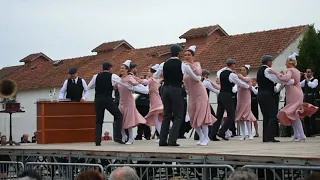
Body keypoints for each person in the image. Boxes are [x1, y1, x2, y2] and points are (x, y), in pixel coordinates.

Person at [153, 44, 201, 146]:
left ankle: (162, 140)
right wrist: (199, 79)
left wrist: (163, 77)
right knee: (178, 116)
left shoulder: (163, 64)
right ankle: (172, 140)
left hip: (165, 89)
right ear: (179, 53)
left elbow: (155, 75)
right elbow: (195, 77)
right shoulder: (183, 65)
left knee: (167, 115)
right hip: (176, 89)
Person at [268, 53, 318, 142]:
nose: (285, 63)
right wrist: (283, 74)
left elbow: (286, 79)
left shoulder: (290, 70)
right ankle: (298, 134)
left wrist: (275, 72)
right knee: (293, 114)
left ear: (290, 62)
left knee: (293, 114)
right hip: (296, 93)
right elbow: (290, 80)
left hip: (294, 94)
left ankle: (301, 135)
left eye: (286, 61)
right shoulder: (296, 70)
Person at [183, 45, 217, 146]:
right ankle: (201, 136)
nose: (187, 56)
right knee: (192, 117)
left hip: (200, 93)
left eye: (188, 55)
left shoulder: (196, 64)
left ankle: (206, 138)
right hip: (192, 95)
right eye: (185, 55)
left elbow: (198, 73)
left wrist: (191, 65)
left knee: (202, 116)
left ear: (193, 56)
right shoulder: (184, 67)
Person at [210, 59, 250, 141]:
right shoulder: (231, 74)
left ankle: (213, 134)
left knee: (219, 115)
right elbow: (239, 82)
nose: (235, 66)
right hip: (227, 95)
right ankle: (222, 131)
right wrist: (247, 86)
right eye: (234, 65)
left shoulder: (221, 73)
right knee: (231, 115)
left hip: (220, 95)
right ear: (232, 65)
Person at [87, 62, 125, 145]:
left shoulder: (95, 76)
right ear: (109, 68)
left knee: (99, 120)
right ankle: (118, 137)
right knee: (118, 116)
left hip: (98, 99)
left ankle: (97, 141)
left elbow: (89, 87)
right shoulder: (113, 76)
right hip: (107, 99)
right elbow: (122, 82)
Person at [256, 55, 291, 142]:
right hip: (267, 95)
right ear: (268, 62)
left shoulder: (259, 70)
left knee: (266, 116)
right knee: (273, 115)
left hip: (260, 94)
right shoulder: (267, 70)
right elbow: (276, 79)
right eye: (271, 61)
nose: (271, 63)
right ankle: (270, 136)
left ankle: (265, 137)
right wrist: (283, 77)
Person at [115, 60, 148, 145]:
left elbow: (135, 84)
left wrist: (134, 83)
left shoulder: (129, 78)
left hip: (129, 102)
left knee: (129, 121)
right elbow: (114, 86)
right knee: (120, 120)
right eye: (120, 68)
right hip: (122, 103)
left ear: (127, 70)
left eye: (123, 68)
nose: (121, 69)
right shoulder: (119, 79)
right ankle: (123, 136)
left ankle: (130, 138)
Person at [135, 64, 163, 142]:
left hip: (156, 103)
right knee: (157, 120)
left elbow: (144, 82)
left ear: (152, 72)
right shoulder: (155, 79)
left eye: (149, 71)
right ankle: (161, 136)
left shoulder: (152, 79)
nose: (148, 72)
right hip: (155, 102)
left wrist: (135, 79)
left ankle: (161, 136)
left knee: (157, 120)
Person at [236, 65, 257, 140]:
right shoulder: (238, 80)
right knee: (240, 117)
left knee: (247, 117)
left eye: (243, 70)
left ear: (247, 71)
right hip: (240, 99)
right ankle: (243, 134)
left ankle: (250, 133)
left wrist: (237, 75)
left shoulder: (248, 78)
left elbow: (243, 79)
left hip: (247, 99)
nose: (242, 72)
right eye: (241, 70)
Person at [300, 67, 318, 137]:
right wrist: (299, 76)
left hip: (312, 100)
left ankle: (313, 131)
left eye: (309, 72)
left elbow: (312, 86)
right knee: (306, 117)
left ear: (312, 73)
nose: (307, 73)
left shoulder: (315, 80)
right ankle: (308, 132)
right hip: (306, 100)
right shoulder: (305, 81)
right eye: (306, 72)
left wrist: (306, 79)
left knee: (312, 116)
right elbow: (298, 84)